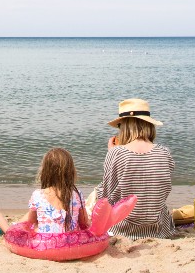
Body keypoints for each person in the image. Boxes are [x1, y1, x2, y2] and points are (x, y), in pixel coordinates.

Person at [93, 98, 176, 239]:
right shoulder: (164, 152)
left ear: (125, 127)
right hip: (159, 230)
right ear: (149, 125)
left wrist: (111, 154)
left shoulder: (117, 153)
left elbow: (105, 198)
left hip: (123, 230)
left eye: (120, 126)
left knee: (98, 193)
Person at [18, 148, 89, 233]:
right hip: (70, 242)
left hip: (45, 243)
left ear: (45, 171)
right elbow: (84, 223)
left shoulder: (38, 195)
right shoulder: (77, 194)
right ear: (71, 171)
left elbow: (30, 222)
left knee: (34, 225)